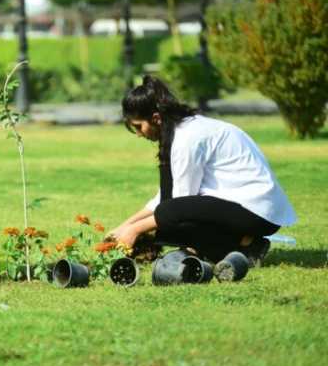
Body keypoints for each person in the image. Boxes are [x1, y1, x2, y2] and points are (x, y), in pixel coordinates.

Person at [107, 75, 296, 265]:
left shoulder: (187, 138)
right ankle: (233, 245)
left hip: (257, 211)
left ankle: (245, 243)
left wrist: (135, 231)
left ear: (156, 118)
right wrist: (125, 225)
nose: (139, 134)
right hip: (246, 208)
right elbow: (166, 197)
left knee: (170, 218)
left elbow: (177, 205)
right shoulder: (180, 131)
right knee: (168, 215)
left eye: (139, 127)